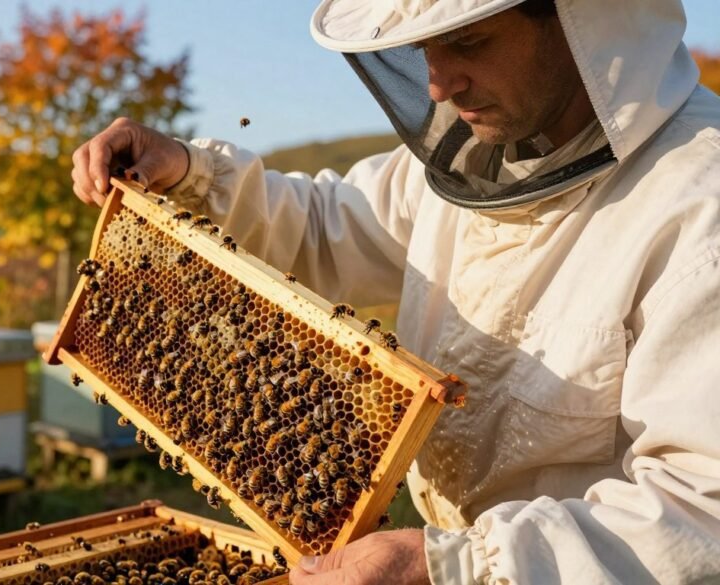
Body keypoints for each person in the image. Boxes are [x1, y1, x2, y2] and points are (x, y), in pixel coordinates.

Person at [72, 0, 720, 582]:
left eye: (468, 43)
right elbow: (329, 226)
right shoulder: (476, 158)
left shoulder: (699, 206)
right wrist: (188, 172)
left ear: (584, 20)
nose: (438, 84)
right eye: (422, 51)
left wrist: (452, 567)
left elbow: (701, 519)